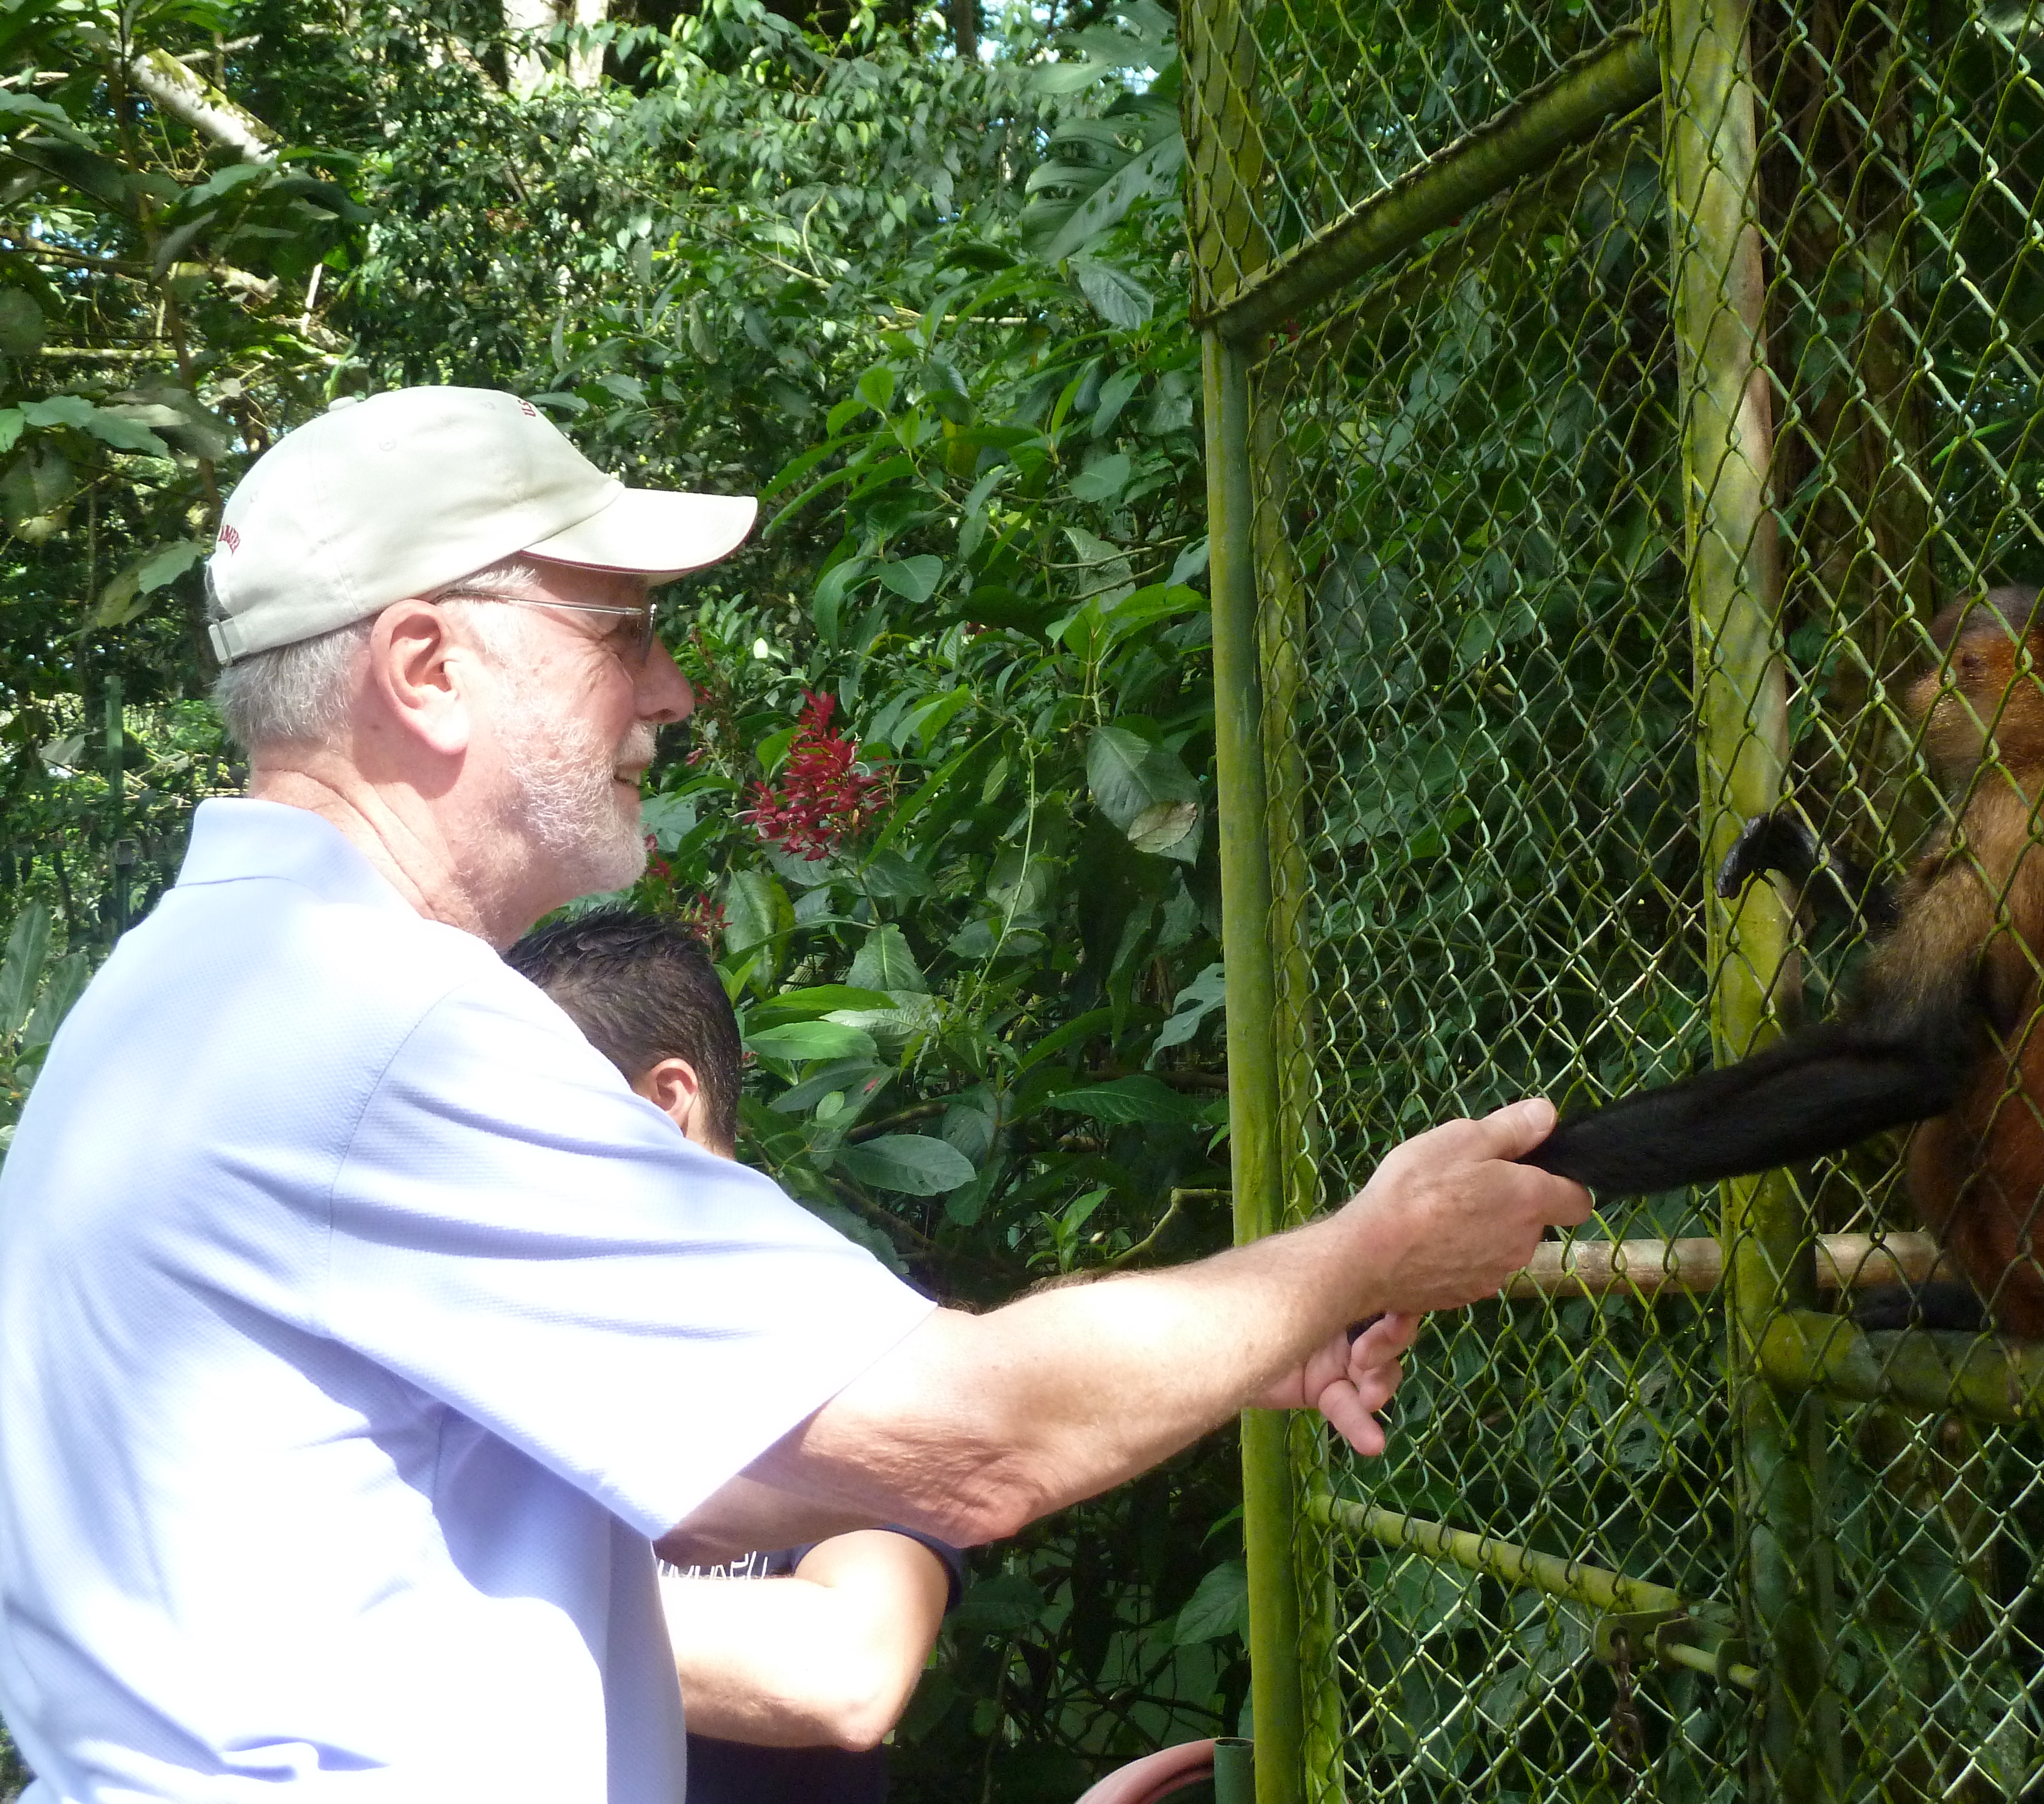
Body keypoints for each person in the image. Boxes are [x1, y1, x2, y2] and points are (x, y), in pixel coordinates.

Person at [0, 385, 1591, 1803]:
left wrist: (1231, 1335)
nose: (672, 691)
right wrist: (1371, 1251)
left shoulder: (182, 999)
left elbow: (737, 1470)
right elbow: (968, 1444)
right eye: (621, 628)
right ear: (426, 668)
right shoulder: (378, 1025)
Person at [506, 909, 958, 1803]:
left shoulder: (852, 1334)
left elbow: (845, 1668)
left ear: (663, 1103)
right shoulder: (488, 1333)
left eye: (519, 1115)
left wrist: (450, 1607)